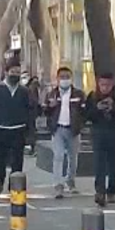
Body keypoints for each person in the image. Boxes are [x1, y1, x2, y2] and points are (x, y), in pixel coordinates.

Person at [0, 59, 34, 194]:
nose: (15, 75)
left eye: (18, 72)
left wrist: (30, 132)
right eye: (12, 72)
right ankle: (0, 180)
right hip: (0, 129)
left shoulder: (25, 91)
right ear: (6, 72)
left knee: (17, 160)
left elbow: (30, 111)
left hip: (19, 129)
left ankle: (14, 185)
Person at [85, 72, 115, 207]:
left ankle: (111, 190)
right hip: (99, 135)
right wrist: (97, 109)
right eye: (102, 85)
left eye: (107, 85)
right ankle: (99, 192)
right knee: (99, 165)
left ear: (112, 85)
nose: (104, 88)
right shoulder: (93, 97)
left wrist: (114, 107)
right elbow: (87, 116)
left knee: (113, 167)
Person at [43, 67, 86, 198]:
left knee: (73, 158)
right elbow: (44, 111)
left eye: (67, 77)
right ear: (57, 79)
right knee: (58, 156)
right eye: (62, 77)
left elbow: (84, 112)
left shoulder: (78, 94)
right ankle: (58, 185)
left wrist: (80, 125)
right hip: (58, 129)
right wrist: (50, 107)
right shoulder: (51, 95)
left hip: (73, 129)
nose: (65, 80)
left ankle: (70, 181)